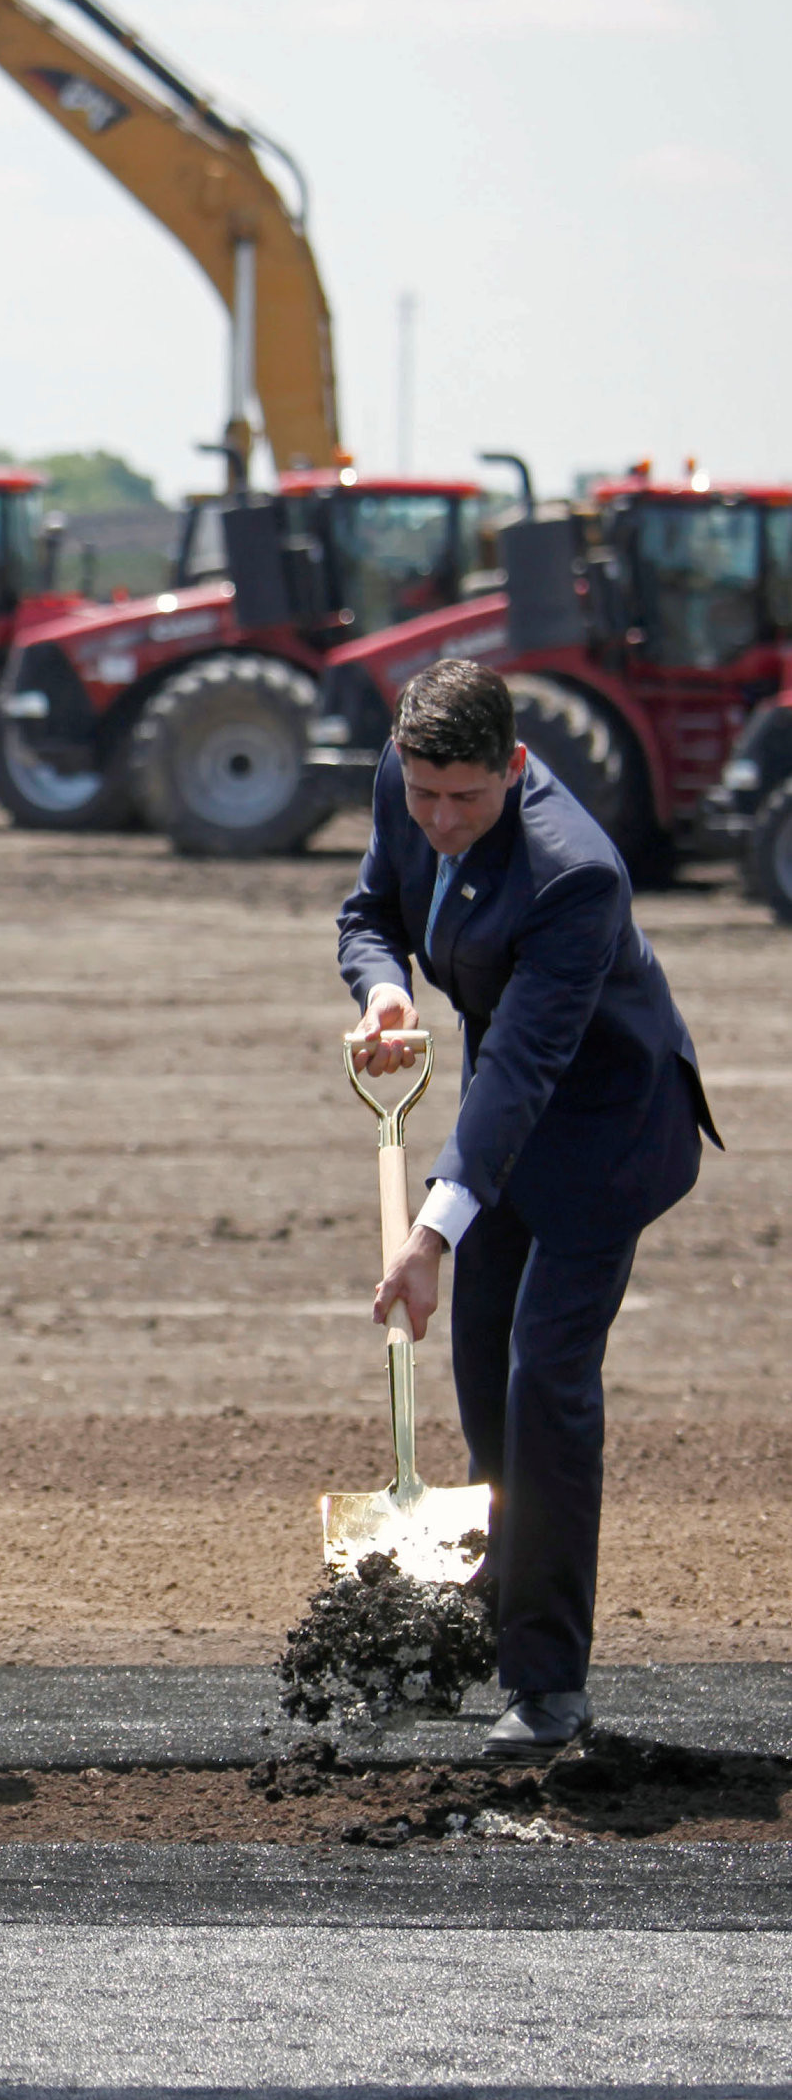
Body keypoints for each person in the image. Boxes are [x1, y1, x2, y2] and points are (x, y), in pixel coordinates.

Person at [340, 657, 714, 1760]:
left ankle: (546, 1682)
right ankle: (492, 1590)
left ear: (512, 767)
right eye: (422, 797)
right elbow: (366, 911)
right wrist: (385, 987)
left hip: (605, 1127)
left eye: (465, 797)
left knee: (543, 1377)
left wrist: (425, 1233)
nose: (440, 820)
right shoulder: (403, 779)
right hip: (495, 1117)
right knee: (475, 1365)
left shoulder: (573, 874)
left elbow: (528, 1067)